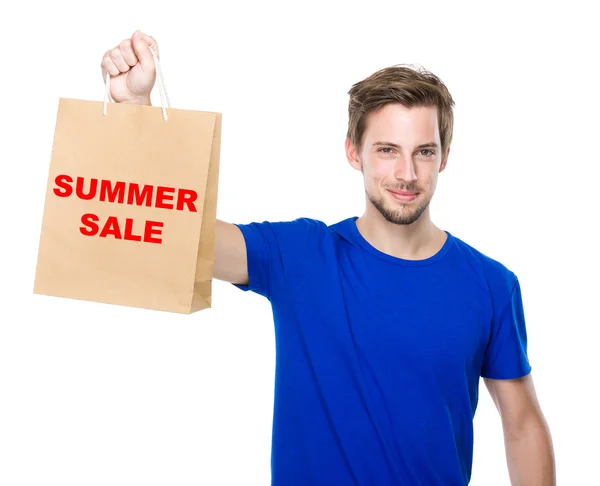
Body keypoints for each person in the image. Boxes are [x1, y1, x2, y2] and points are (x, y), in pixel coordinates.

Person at [101, 30, 556, 485]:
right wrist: (134, 114)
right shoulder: (301, 256)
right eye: (387, 151)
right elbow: (182, 236)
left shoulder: (492, 285)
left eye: (423, 152)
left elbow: (522, 425)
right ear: (353, 152)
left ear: (444, 157)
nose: (406, 173)